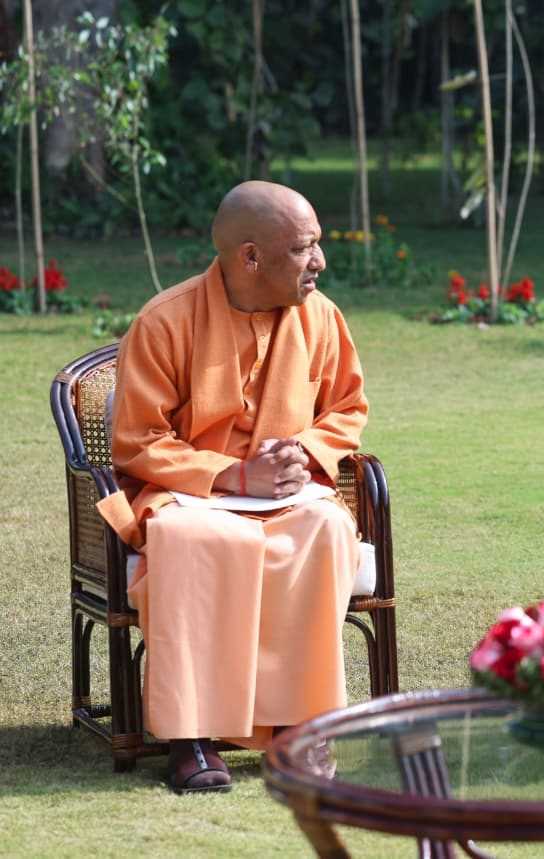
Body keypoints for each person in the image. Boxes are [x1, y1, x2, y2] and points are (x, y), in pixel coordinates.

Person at [96, 181, 368, 793]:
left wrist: (304, 452)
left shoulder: (321, 316)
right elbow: (137, 441)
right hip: (188, 495)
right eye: (305, 248)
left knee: (326, 528)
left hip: (288, 498)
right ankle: (191, 738)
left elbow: (348, 407)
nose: (320, 262)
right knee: (192, 539)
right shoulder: (165, 321)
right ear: (250, 258)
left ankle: (302, 728)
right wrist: (231, 475)